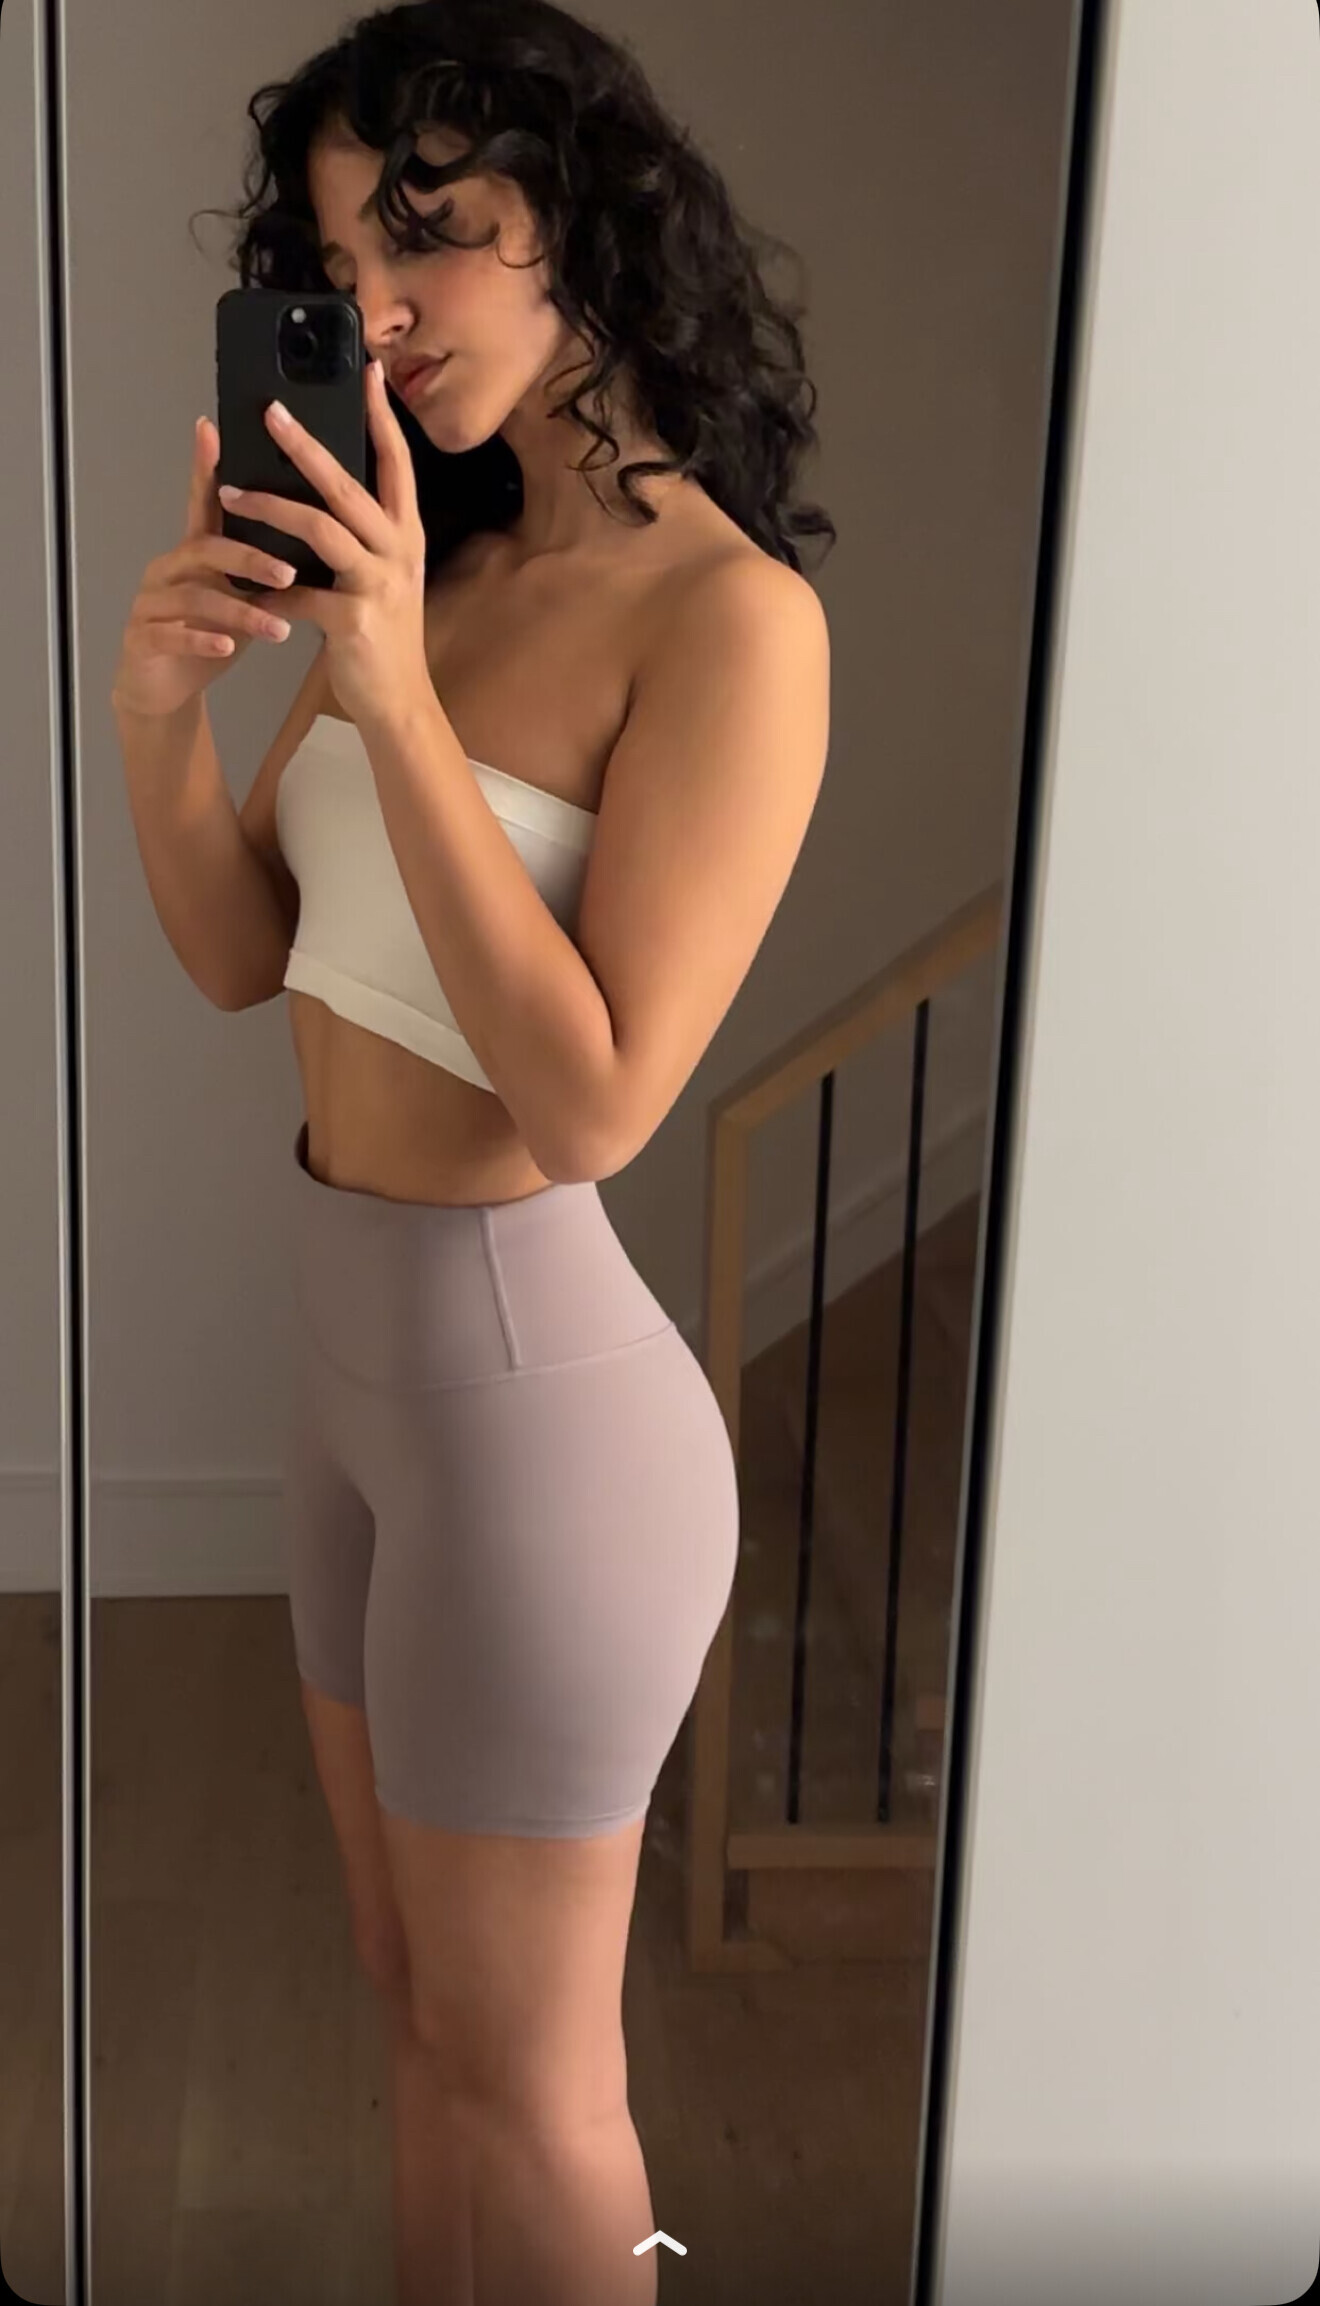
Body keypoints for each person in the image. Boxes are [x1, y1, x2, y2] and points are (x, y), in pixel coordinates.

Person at [111, 3, 832, 2299]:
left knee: (534, 2085)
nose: (383, 309)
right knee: (415, 2008)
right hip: (350, 1386)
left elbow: (596, 1098)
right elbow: (249, 959)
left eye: (427, 236)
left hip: (539, 1430)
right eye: (340, 260)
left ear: (584, 223)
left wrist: (399, 701)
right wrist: (162, 718)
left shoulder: (731, 622)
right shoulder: (427, 564)